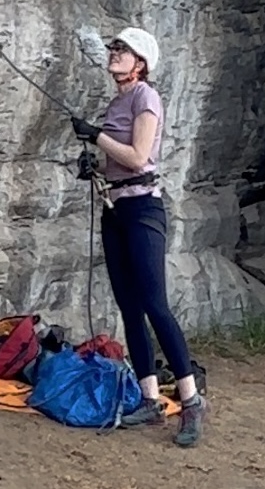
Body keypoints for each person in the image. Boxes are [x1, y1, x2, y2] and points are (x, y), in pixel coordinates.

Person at [70, 27, 204, 446]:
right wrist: (94, 165)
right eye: (113, 47)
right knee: (129, 305)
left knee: (154, 304)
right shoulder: (118, 101)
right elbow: (117, 161)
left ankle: (191, 401)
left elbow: (138, 156)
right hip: (117, 208)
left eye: (122, 49)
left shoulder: (146, 97)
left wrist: (97, 137)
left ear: (140, 63)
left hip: (144, 209)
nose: (114, 53)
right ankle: (149, 397)